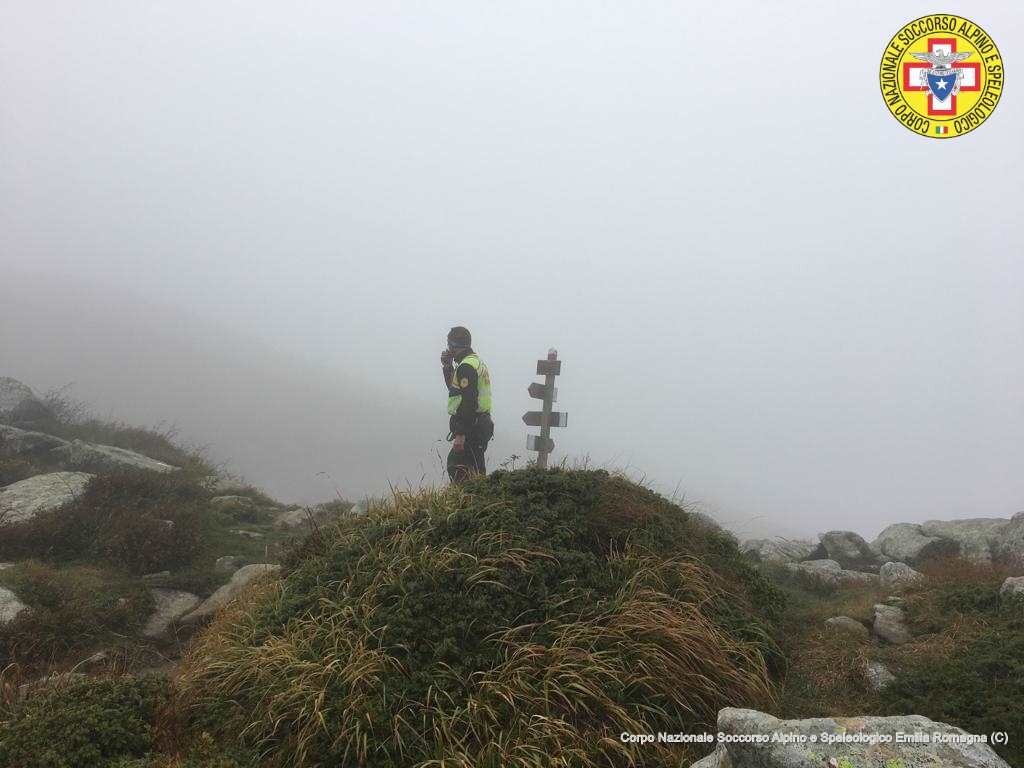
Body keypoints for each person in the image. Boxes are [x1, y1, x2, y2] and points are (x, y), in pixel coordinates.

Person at [441, 326, 494, 483]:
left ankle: (467, 504)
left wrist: (460, 434)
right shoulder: (476, 362)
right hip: (480, 424)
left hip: (471, 428)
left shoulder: (466, 366)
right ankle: (477, 501)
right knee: (475, 470)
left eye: (448, 345)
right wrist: (447, 367)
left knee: (457, 466)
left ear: (453, 346)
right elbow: (455, 390)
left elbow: (468, 401)